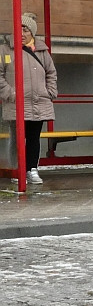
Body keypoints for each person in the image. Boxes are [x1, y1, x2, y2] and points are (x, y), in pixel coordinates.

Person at [0, 12, 56, 185]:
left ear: (32, 32)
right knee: (16, 137)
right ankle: (18, 169)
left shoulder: (41, 50)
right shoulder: (5, 49)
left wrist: (50, 92)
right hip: (17, 102)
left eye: (25, 30)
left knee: (33, 137)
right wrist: (10, 93)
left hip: (38, 101)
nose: (22, 34)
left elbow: (51, 72)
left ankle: (32, 169)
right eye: (19, 29)